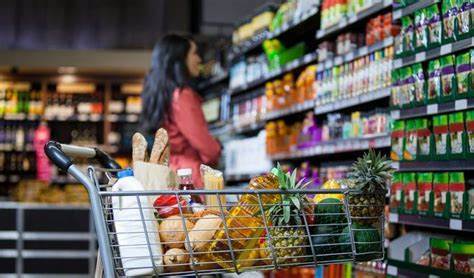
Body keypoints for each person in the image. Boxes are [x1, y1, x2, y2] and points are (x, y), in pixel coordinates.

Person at [140, 34, 221, 188]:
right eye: (194, 53)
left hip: (168, 173)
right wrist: (217, 148)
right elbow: (206, 146)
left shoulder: (161, 95)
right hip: (190, 177)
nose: (199, 59)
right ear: (179, 59)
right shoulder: (182, 96)